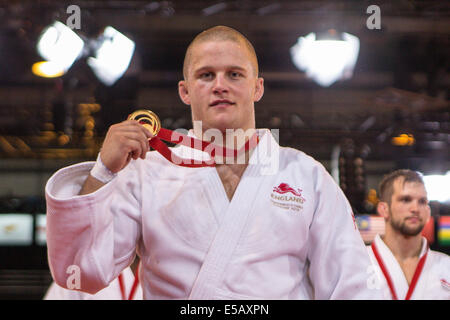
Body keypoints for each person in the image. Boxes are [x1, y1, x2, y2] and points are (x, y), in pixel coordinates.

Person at [45, 25, 382, 299]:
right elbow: (81, 273)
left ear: (257, 87)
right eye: (206, 75)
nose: (220, 85)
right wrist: (102, 171)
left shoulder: (305, 174)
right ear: (185, 90)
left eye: (234, 74)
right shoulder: (147, 171)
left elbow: (351, 288)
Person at [367, 169, 450, 300]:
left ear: (428, 212)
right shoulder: (358, 262)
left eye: (422, 201)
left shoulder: (447, 266)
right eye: (405, 200)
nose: (415, 209)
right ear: (384, 209)